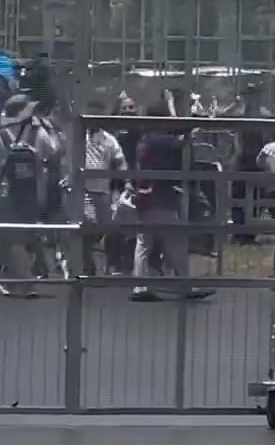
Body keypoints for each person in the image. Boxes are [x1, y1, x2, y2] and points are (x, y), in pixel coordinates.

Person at [131, 96, 213, 302]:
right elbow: (180, 142)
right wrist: (196, 129)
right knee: (174, 241)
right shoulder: (158, 139)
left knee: (145, 242)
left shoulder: (146, 139)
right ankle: (183, 285)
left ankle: (140, 286)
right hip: (159, 197)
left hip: (145, 196)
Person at [0, 94, 55, 295]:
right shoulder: (39, 135)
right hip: (32, 194)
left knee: (12, 239)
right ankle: (19, 279)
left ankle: (20, 280)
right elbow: (54, 153)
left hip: (6, 194)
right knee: (20, 238)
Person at [81, 118, 127, 273]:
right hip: (82, 189)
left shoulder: (109, 140)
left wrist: (126, 182)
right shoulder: (79, 136)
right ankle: (87, 264)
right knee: (88, 224)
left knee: (104, 228)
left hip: (102, 189)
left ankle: (106, 264)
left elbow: (120, 161)